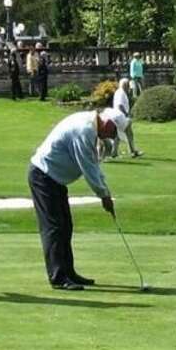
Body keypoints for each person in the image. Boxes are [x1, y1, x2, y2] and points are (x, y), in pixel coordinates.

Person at [28, 107, 127, 289]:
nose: (111, 137)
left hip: (54, 179)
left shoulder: (90, 125)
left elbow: (94, 166)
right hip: (43, 176)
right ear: (108, 123)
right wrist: (103, 196)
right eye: (113, 132)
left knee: (66, 225)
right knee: (54, 227)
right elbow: (88, 167)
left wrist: (105, 191)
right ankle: (58, 278)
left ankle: (68, 272)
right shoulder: (84, 129)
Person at [111, 77, 142, 158]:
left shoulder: (119, 92)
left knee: (124, 134)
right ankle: (131, 152)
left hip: (118, 116)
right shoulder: (121, 93)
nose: (129, 87)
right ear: (124, 85)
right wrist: (126, 114)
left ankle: (129, 151)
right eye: (127, 85)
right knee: (124, 134)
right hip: (121, 116)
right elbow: (120, 105)